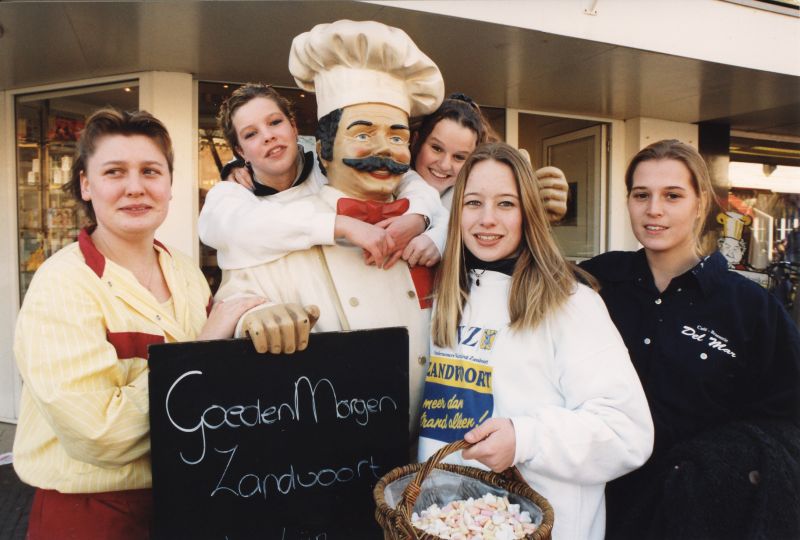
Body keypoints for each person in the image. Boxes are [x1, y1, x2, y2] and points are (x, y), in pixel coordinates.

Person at [12, 108, 266, 539]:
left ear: (169, 185)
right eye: (114, 172)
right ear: (86, 185)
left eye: (150, 171)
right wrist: (202, 349)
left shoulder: (185, 270)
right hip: (93, 515)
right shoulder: (62, 284)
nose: (135, 187)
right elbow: (99, 434)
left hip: (190, 496)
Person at [417, 141, 654, 540]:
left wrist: (525, 439)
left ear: (528, 211)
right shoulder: (446, 297)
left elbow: (627, 432)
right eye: (473, 203)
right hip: (447, 523)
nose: (487, 219)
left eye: (505, 204)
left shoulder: (570, 303)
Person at [580, 139, 800, 538]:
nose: (654, 209)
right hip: (597, 508)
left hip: (698, 518)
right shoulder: (597, 282)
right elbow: (516, 280)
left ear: (701, 204)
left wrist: (726, 465)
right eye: (641, 195)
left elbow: (787, 416)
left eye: (673, 196)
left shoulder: (749, 307)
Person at [199, 82, 445, 272]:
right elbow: (234, 229)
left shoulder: (329, 165)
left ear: (293, 127)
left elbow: (411, 182)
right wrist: (340, 225)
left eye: (274, 122)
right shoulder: (232, 192)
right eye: (251, 134)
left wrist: (418, 217)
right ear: (240, 151)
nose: (268, 136)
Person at [403, 93, 568, 266]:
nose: (444, 165)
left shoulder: (478, 200)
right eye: (436, 148)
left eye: (459, 157)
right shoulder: (389, 180)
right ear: (416, 141)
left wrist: (535, 211)